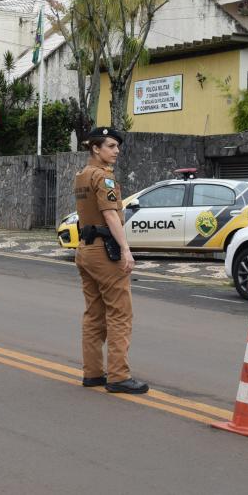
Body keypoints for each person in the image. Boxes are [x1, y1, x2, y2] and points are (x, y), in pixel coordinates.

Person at [73, 127, 148, 395]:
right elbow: (111, 215)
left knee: (94, 314)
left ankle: (92, 373)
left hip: (85, 249)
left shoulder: (81, 176)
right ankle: (118, 375)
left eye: (117, 147)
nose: (116, 151)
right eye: (111, 146)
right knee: (119, 313)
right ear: (96, 148)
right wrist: (126, 249)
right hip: (105, 251)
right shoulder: (103, 178)